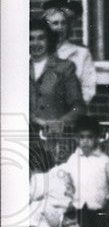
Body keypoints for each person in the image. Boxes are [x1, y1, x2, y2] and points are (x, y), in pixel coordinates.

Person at [29, 115, 109, 227]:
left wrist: (108, 200)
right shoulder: (73, 160)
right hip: (76, 211)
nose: (85, 141)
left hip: (98, 211)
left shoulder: (105, 163)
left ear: (97, 138)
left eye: (90, 137)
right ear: (76, 138)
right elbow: (67, 180)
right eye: (82, 137)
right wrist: (67, 189)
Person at [30, 17, 84, 171]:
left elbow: (78, 108)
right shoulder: (19, 70)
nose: (35, 43)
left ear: (49, 41)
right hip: (26, 145)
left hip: (56, 146)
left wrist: (56, 124)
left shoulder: (64, 68)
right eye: (31, 39)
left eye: (41, 38)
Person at [43, 0, 98, 107]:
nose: (60, 27)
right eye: (55, 23)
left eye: (63, 23)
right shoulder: (35, 53)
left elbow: (88, 89)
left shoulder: (81, 53)